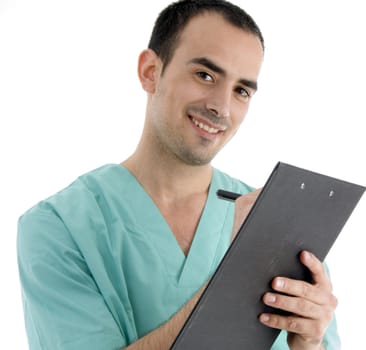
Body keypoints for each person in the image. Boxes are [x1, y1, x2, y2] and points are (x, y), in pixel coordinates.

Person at [17, 1, 340, 349]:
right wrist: (237, 273)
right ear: (150, 71)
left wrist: (309, 343)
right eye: (205, 75)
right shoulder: (58, 226)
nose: (222, 106)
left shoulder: (276, 220)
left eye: (241, 90)